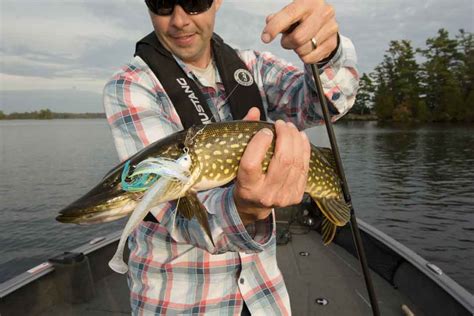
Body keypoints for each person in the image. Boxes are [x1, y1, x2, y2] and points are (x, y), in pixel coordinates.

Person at [103, 0, 359, 314]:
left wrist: (326, 53)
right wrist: (243, 209)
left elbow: (327, 104)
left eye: (195, 2)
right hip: (182, 303)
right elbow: (174, 214)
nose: (180, 20)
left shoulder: (253, 67)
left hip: (265, 297)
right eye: (163, 4)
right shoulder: (131, 85)